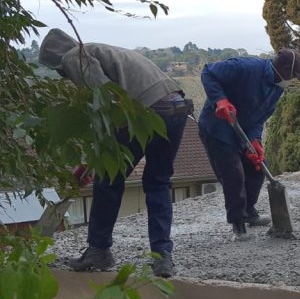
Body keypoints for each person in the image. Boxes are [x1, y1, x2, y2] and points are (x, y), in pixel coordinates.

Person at [38, 28, 191, 277]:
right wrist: (93, 160)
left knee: (109, 180)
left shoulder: (71, 57)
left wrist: (98, 160)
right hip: (175, 107)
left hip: (144, 110)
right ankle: (162, 257)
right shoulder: (100, 50)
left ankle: (99, 251)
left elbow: (106, 101)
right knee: (158, 182)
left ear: (56, 61)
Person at [198, 50, 300, 239]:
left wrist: (255, 141)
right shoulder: (246, 67)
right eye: (293, 76)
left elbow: (260, 118)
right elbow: (208, 72)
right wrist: (220, 100)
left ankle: (248, 211)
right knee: (233, 174)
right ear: (285, 69)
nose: (293, 80)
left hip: (244, 131)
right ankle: (237, 223)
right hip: (218, 127)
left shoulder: (276, 88)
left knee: (257, 167)